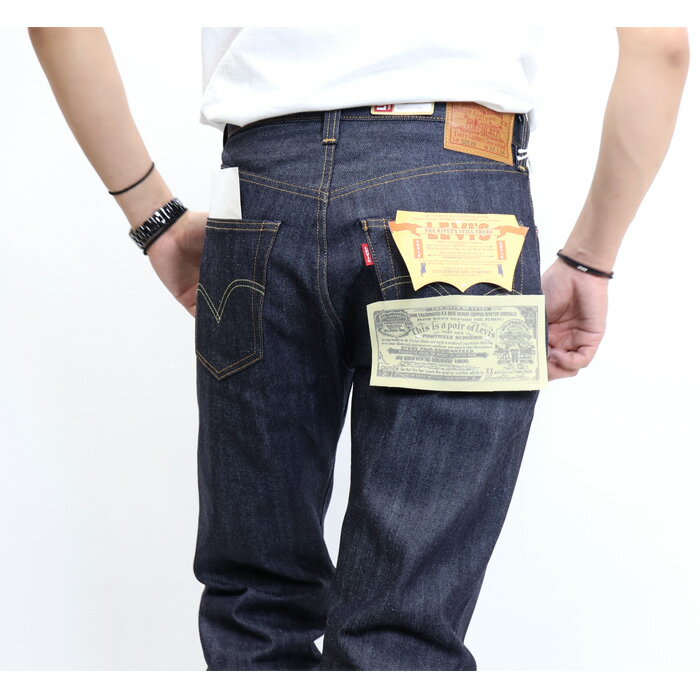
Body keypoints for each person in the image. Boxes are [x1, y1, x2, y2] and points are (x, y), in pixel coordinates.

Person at [28, 26, 689, 671]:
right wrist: (590, 260)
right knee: (403, 632)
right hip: (464, 199)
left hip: (261, 195)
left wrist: (152, 215)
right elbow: (661, 45)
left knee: (257, 610)